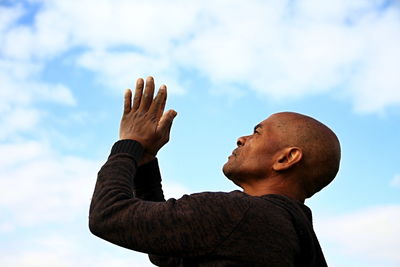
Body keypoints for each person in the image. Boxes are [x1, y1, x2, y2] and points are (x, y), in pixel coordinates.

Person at [89, 76, 341, 267]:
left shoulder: (238, 214)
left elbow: (108, 215)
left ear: (286, 158)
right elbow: (166, 251)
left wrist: (129, 144)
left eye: (257, 132)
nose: (241, 139)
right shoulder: (294, 234)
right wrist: (145, 162)